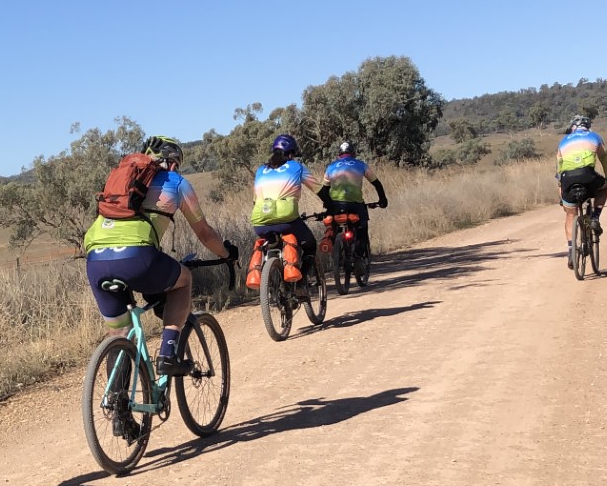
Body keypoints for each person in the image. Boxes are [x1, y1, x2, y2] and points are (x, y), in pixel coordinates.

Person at [81, 136, 237, 375]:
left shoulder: (121, 183)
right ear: (173, 163)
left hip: (95, 260)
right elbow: (205, 233)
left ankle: (117, 405)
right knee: (182, 280)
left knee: (119, 333)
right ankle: (168, 355)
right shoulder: (175, 182)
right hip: (137, 257)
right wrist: (226, 254)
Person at [244, 134, 322, 289]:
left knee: (272, 242)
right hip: (288, 221)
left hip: (260, 223)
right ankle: (300, 283)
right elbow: (319, 190)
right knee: (310, 244)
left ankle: (271, 275)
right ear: (291, 153)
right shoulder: (296, 167)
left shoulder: (261, 170)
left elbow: (255, 200)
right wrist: (330, 205)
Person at [555, 116, 607, 252]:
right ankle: (594, 218)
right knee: (603, 187)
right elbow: (604, 159)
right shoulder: (594, 136)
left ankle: (571, 251)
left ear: (572, 127)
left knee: (570, 214)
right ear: (587, 127)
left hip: (567, 178)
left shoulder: (563, 141)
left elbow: (558, 168)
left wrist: (562, 195)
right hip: (588, 175)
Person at [317, 139, 388, 249]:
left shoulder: (331, 167)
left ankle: (333, 250)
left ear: (339, 155)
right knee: (362, 227)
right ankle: (362, 251)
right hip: (355, 204)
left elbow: (324, 190)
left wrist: (327, 204)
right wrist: (382, 200)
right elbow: (377, 184)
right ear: (353, 153)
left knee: (332, 227)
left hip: (335, 205)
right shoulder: (361, 165)